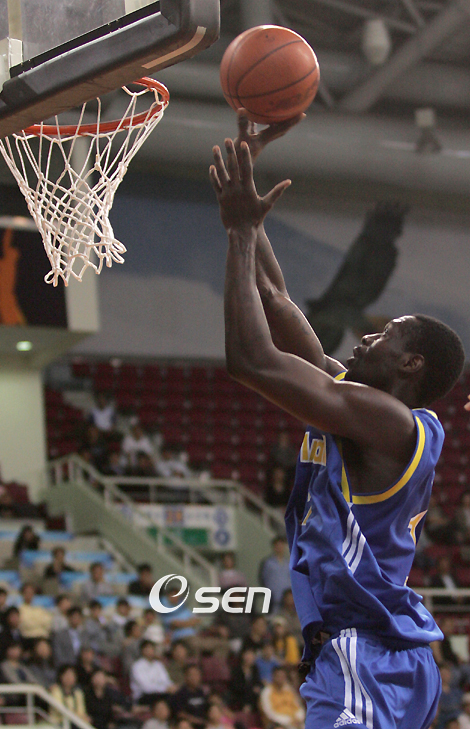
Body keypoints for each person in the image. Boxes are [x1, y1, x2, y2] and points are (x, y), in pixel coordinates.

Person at [209, 112, 466, 729]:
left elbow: (251, 361)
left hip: (365, 656)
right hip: (378, 656)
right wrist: (249, 205)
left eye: (384, 334)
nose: (364, 336)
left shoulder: (387, 421)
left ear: (410, 364)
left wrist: (241, 233)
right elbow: (276, 301)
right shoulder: (360, 408)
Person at [130, 639, 174, 705]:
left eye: (151, 648)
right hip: (143, 696)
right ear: (142, 650)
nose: (150, 650)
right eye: (147, 648)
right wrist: (165, 689)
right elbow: (145, 687)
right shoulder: (137, 666)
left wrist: (172, 687)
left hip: (161, 693)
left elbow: (166, 680)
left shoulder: (158, 664)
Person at [258, 537, 291, 612]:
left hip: (287, 596)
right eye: (277, 546)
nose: (279, 548)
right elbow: (263, 578)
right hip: (273, 596)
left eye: (281, 545)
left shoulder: (288, 562)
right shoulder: (268, 563)